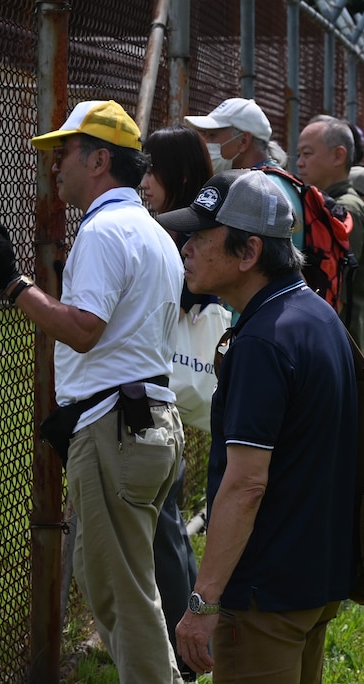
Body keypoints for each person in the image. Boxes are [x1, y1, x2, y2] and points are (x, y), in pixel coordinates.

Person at [0, 100, 185, 682]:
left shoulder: (102, 229)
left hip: (115, 432)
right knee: (129, 589)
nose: (55, 166)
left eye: (63, 153)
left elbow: (83, 329)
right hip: (147, 420)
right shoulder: (151, 231)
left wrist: (13, 283)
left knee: (123, 600)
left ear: (99, 160)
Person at [159, 170, 357, 682]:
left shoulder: (262, 342)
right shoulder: (315, 314)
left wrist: (202, 604)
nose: (186, 249)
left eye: (200, 239)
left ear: (248, 252)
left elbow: (246, 485)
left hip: (264, 593)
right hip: (315, 577)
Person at [142, 124, 214, 682]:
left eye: (150, 169)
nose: (142, 181)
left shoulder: (177, 231)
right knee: (167, 521)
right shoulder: (198, 226)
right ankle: (183, 631)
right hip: (166, 397)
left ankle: (180, 650)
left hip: (155, 391)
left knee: (164, 526)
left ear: (178, 175)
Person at [184, 97, 304, 251]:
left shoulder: (257, 190)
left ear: (244, 141)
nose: (206, 143)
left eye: (212, 136)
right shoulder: (279, 180)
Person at [296, 118, 364, 351]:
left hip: (340, 341)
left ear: (338, 156)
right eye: (298, 154)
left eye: (307, 154)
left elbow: (339, 286)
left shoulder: (346, 209)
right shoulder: (322, 206)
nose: (299, 163)